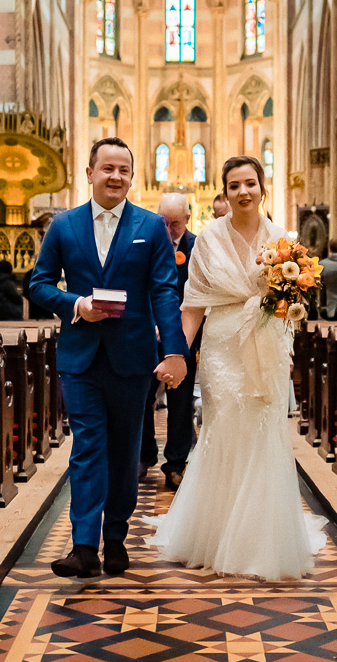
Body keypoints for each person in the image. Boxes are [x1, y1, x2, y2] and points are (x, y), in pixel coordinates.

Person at [146, 155, 328, 579]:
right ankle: (217, 531)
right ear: (224, 193)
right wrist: (176, 353)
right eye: (234, 185)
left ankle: (261, 535)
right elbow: (191, 306)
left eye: (250, 183)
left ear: (262, 188)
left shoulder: (283, 240)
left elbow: (290, 308)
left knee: (264, 434)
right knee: (223, 431)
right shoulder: (208, 239)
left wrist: (285, 347)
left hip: (265, 347)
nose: (243, 191)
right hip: (222, 351)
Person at [28, 138, 188, 579]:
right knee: (87, 449)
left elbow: (163, 291)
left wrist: (174, 350)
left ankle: (115, 537)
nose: (115, 176)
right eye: (107, 168)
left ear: (132, 177)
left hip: (132, 357)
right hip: (80, 357)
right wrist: (76, 304)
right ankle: (83, 547)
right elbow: (39, 284)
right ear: (90, 173)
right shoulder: (64, 225)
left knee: (123, 452)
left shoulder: (151, 226)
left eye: (123, 170)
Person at [141, 192, 198, 489]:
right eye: (164, 221)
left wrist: (174, 326)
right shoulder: (146, 242)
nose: (169, 229)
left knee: (180, 400)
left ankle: (175, 463)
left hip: (183, 337)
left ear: (187, 220)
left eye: (175, 223)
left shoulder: (198, 247)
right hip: (148, 334)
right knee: (143, 396)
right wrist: (152, 322)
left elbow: (200, 295)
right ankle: (144, 454)